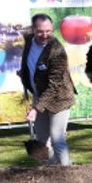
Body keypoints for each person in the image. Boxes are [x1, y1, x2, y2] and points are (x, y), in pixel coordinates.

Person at [18, 14, 76, 166]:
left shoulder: (57, 51)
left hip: (59, 99)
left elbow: (54, 86)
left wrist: (36, 109)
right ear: (33, 30)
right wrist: (23, 74)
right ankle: (50, 174)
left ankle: (68, 174)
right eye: (40, 31)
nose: (44, 35)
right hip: (39, 96)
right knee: (42, 141)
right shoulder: (29, 40)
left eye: (48, 31)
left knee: (57, 139)